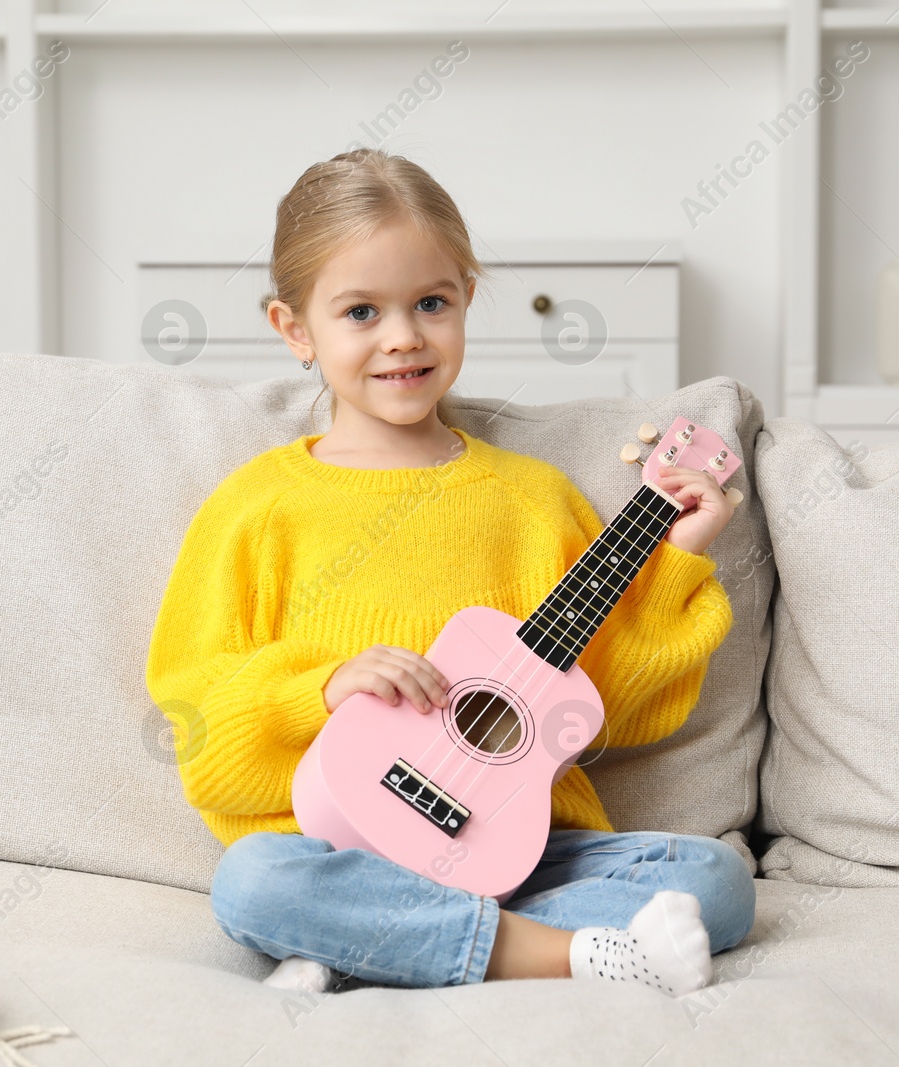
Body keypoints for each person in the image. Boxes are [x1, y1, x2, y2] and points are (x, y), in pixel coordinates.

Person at [144, 148, 754, 995]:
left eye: (431, 302)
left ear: (465, 300)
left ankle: (377, 947)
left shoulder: (534, 501)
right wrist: (318, 689)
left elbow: (605, 702)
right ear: (295, 330)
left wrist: (679, 555)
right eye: (361, 312)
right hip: (336, 849)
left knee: (716, 882)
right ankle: (565, 955)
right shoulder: (256, 508)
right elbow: (195, 716)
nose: (404, 337)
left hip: (520, 846)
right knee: (253, 880)